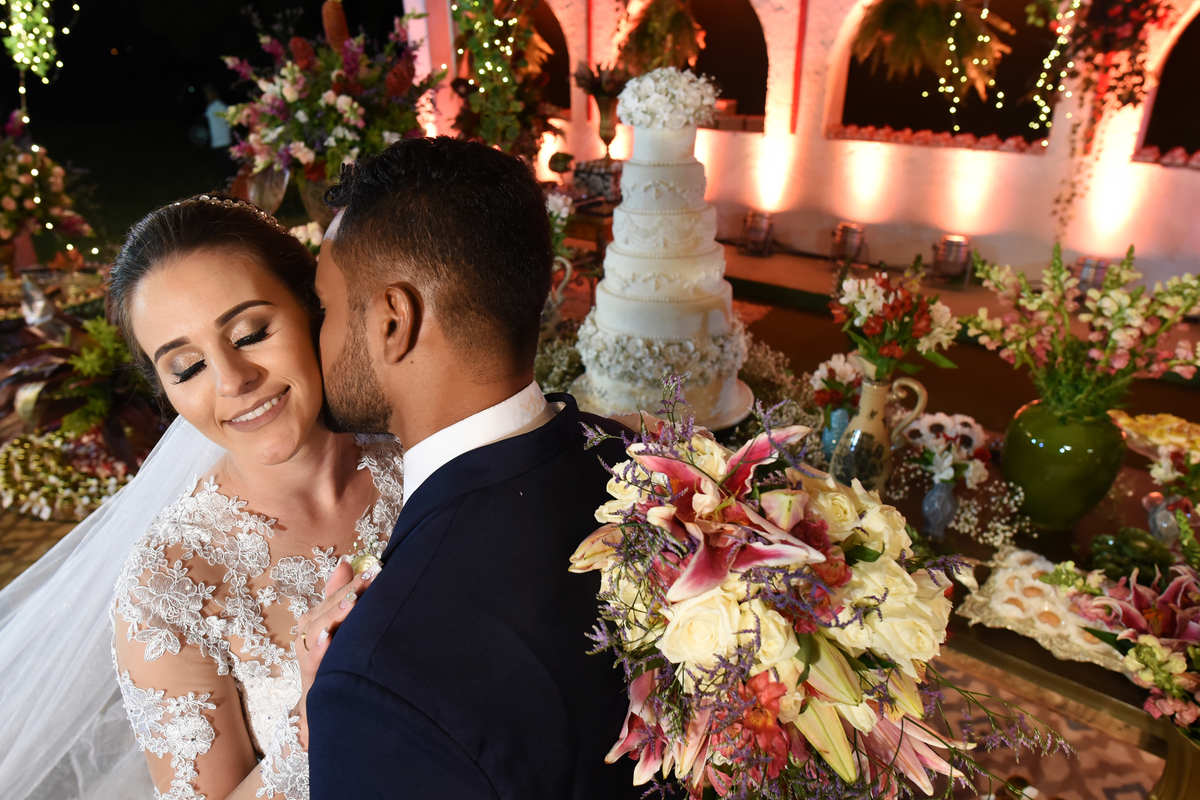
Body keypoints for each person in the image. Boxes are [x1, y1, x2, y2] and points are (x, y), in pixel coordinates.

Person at [0, 194, 402, 800]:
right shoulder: (169, 585)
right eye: (186, 368)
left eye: (251, 332)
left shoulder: (421, 457)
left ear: (311, 306)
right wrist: (315, 725)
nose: (232, 381)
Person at [305, 137, 639, 798]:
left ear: (393, 322)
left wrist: (341, 711)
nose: (316, 335)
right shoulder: (639, 463)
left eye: (326, 308)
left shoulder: (380, 684)